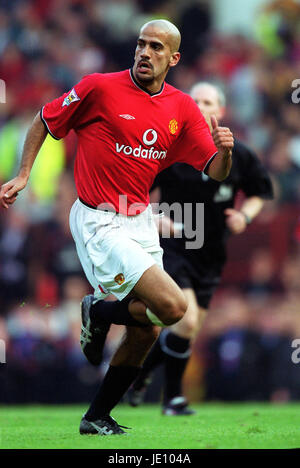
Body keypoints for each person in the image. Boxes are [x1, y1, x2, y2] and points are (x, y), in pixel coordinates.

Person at [0, 21, 234, 435]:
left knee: (146, 327)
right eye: (141, 44)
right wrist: (23, 174)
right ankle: (101, 310)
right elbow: (44, 118)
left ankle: (96, 416)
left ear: (173, 58)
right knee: (176, 308)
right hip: (98, 220)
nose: (145, 52)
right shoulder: (99, 88)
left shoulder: (181, 108)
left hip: (139, 220)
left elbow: (214, 171)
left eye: (156, 47)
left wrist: (225, 152)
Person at [129, 82, 274, 415]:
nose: (199, 105)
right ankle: (174, 400)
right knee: (187, 319)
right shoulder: (168, 152)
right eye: (194, 100)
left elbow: (259, 192)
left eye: (207, 101)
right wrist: (155, 218)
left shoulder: (239, 154)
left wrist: (244, 216)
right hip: (174, 248)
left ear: (220, 111)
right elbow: (134, 199)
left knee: (187, 332)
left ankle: (139, 376)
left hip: (212, 255)